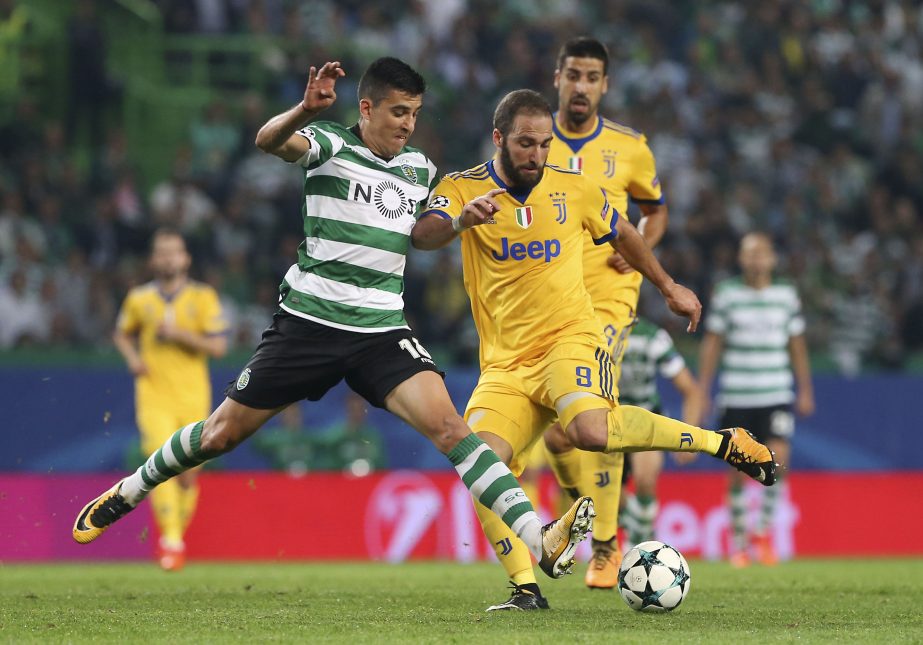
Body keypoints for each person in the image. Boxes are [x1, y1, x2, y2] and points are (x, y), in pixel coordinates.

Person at [73, 58, 592, 583]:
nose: (408, 124)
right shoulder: (329, 144)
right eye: (397, 112)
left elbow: (424, 236)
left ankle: (539, 538)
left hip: (381, 330)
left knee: (451, 427)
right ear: (366, 109)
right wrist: (303, 109)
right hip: (309, 324)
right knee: (219, 435)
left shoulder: (419, 169)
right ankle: (130, 490)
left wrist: (459, 221)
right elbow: (268, 141)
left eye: (414, 113)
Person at [413, 88, 777, 611]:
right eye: (524, 144)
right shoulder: (461, 187)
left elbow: (624, 231)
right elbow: (422, 235)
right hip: (505, 364)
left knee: (587, 430)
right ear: (499, 139)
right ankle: (526, 591)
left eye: (543, 144)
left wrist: (668, 286)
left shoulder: (572, 188)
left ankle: (721, 443)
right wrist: (460, 221)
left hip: (570, 339)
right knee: (483, 463)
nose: (536, 155)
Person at [541, 35, 673, 590]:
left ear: (605, 85)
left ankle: (606, 546)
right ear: (558, 77)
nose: (581, 86)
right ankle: (583, 514)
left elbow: (655, 211)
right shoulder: (532, 139)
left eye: (592, 77)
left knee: (598, 413)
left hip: (610, 303)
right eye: (573, 74)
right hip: (549, 302)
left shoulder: (631, 147)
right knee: (555, 438)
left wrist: (638, 244)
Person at [111, 227, 228, 570]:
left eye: (174, 252)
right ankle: (172, 542)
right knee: (158, 465)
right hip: (154, 396)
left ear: (186, 258)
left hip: (193, 396)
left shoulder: (203, 297)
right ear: (152, 260)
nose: (168, 258)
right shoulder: (139, 299)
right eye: (161, 252)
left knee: (189, 474)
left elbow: (219, 346)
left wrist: (180, 335)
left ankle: (174, 538)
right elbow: (121, 333)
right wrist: (133, 359)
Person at [699, 232, 815, 567]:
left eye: (762, 252)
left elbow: (797, 343)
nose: (756, 258)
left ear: (772, 258)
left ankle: (762, 533)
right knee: (738, 470)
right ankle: (738, 542)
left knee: (781, 460)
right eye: (750, 253)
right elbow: (713, 342)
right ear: (740, 258)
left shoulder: (786, 295)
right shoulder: (727, 295)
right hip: (736, 392)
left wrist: (805, 388)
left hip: (775, 391)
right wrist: (704, 389)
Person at [617, 317, 705, 547]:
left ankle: (636, 545)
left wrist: (691, 437)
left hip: (645, 418)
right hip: (607, 421)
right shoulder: (591, 331)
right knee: (610, 494)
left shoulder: (652, 337)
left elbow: (690, 389)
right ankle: (642, 530)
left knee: (645, 480)